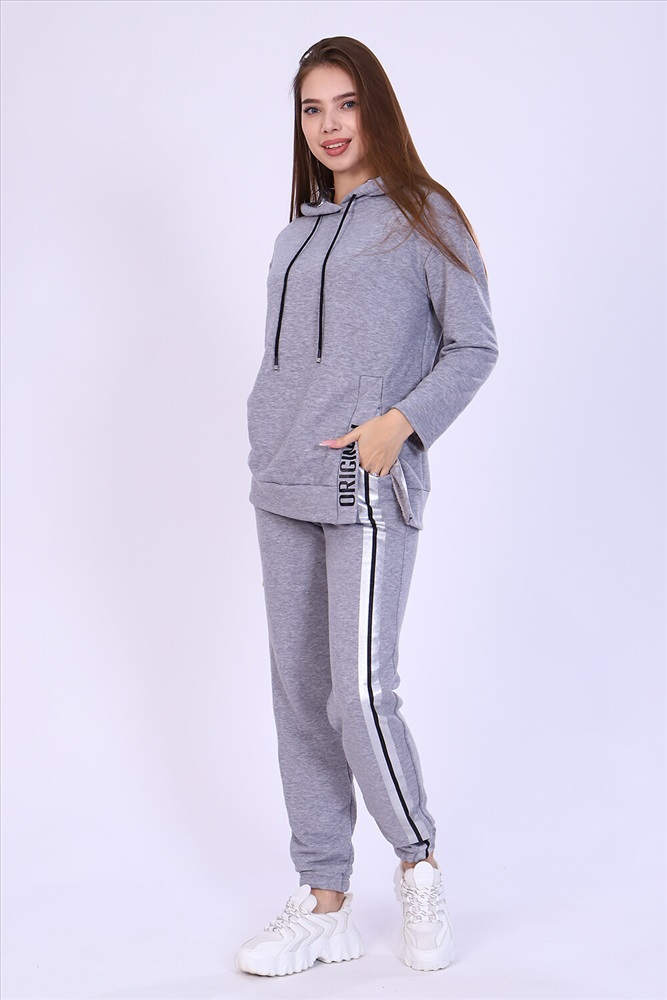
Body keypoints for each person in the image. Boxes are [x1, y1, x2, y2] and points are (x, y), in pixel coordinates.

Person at [235, 36, 499, 977]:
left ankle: (417, 862)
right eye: (312, 109)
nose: (329, 125)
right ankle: (324, 900)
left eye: (345, 103)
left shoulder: (426, 215)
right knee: (298, 694)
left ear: (375, 107)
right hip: (280, 485)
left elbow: (474, 346)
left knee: (358, 693)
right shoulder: (294, 234)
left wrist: (401, 423)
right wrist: (264, 434)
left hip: (365, 484)